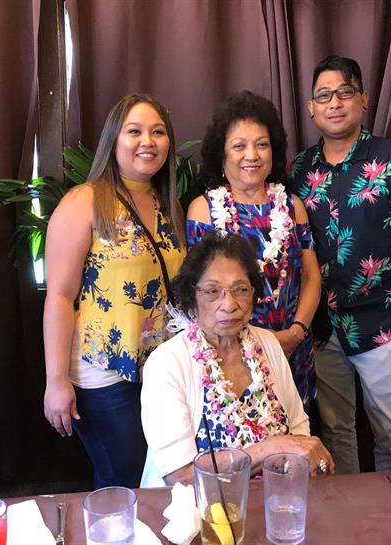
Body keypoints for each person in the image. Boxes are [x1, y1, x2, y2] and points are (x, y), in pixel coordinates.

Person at [290, 55, 391, 474]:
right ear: (311, 107)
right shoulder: (300, 169)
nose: (334, 103)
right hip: (322, 327)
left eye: (344, 92)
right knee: (337, 433)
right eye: (324, 95)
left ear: (364, 99)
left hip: (384, 321)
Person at [43, 93, 185, 488]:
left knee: (156, 478)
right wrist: (56, 380)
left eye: (158, 132)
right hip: (102, 372)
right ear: (114, 140)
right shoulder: (84, 202)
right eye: (134, 131)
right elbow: (59, 296)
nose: (148, 141)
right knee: (123, 481)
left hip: (157, 370)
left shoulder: (165, 203)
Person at [140, 232, 333, 487]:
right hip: (198, 511)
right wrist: (267, 449)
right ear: (191, 299)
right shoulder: (167, 363)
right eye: (212, 291)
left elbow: (298, 430)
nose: (229, 304)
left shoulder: (267, 344)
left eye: (240, 289)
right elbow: (180, 475)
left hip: (274, 498)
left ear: (253, 297)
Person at [187, 90, 321, 411]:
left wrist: (295, 334)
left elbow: (311, 277)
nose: (252, 155)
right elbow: (200, 294)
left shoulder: (292, 207)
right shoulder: (204, 211)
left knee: (295, 438)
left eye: (262, 144)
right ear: (222, 156)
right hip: (233, 355)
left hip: (293, 348)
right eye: (239, 146)